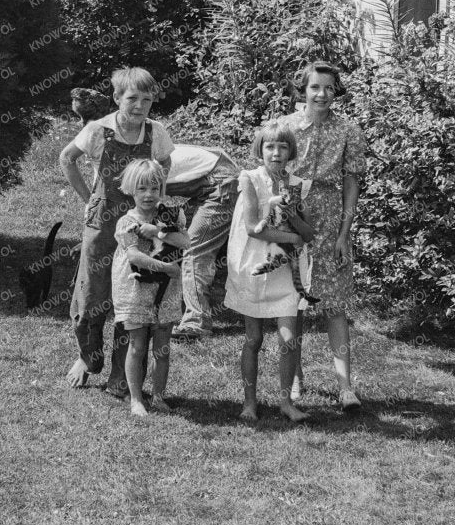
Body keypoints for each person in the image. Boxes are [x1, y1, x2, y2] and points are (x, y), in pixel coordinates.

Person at [61, 66, 175, 395]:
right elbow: (66, 158)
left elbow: (164, 164)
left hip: (139, 221)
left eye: (146, 99)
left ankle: (119, 373)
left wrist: (154, 195)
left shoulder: (156, 132)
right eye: (132, 98)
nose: (139, 105)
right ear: (116, 99)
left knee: (130, 297)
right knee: (91, 295)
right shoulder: (99, 129)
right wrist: (88, 198)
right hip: (102, 220)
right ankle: (88, 358)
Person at [284, 61, 368, 411]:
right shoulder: (284, 127)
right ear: (302, 90)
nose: (322, 94)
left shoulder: (348, 130)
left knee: (334, 304)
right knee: (293, 302)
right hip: (291, 214)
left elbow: (352, 182)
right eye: (315, 87)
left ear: (336, 91)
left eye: (329, 88)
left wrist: (343, 233)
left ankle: (345, 386)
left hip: (330, 214)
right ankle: (294, 378)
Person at [227, 120, 309, 423]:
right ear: (260, 150)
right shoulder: (249, 178)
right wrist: (291, 237)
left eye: (283, 146)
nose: (276, 152)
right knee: (253, 339)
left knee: (288, 340)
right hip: (253, 265)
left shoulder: (297, 182)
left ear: (291, 151)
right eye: (270, 146)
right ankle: (249, 402)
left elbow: (306, 229)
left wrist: (295, 221)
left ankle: (286, 401)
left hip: (286, 268)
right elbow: (252, 229)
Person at [111, 158, 184, 416]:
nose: (149, 195)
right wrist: (166, 268)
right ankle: (136, 399)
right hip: (135, 290)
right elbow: (133, 256)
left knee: (162, 348)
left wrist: (158, 232)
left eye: (154, 188)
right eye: (142, 189)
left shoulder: (170, 215)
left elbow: (186, 241)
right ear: (131, 189)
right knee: (137, 345)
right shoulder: (125, 221)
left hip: (166, 290)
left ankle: (159, 396)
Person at [167, 142, 241, 341]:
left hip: (221, 184)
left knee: (194, 249)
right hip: (210, 182)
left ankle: (196, 322)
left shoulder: (132, 161)